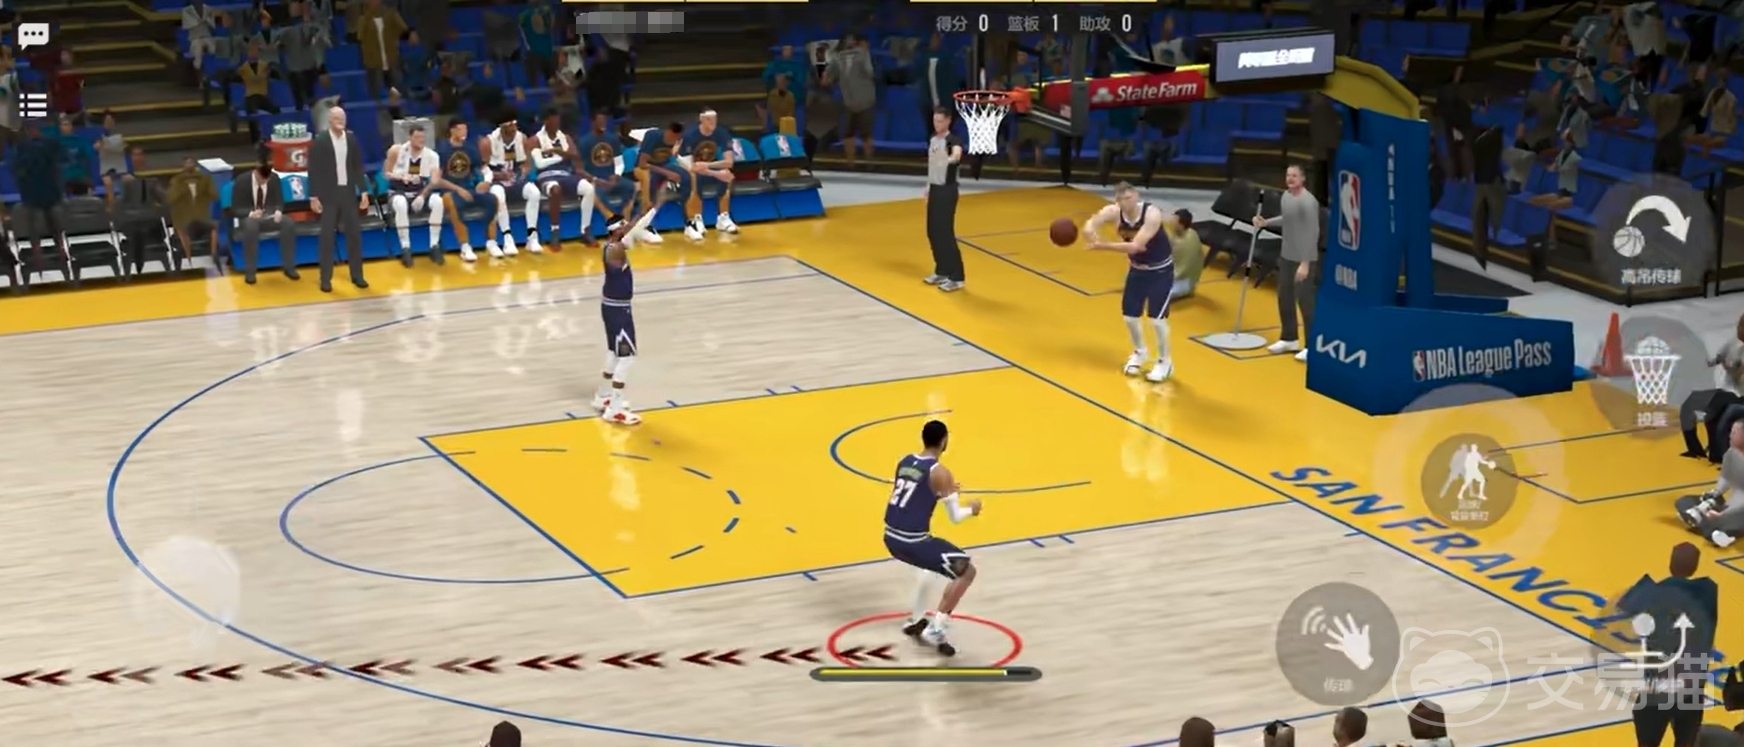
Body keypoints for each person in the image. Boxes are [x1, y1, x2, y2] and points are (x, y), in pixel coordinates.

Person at [886, 419, 981, 656]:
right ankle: (937, 629)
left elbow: (915, 494)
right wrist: (972, 509)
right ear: (944, 440)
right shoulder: (941, 473)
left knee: (929, 570)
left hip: (890, 537)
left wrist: (944, 491)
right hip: (913, 541)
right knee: (966, 571)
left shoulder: (904, 461)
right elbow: (955, 517)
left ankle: (915, 620)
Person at [588, 190, 669, 427]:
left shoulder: (614, 244)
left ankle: (602, 396)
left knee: (613, 353)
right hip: (618, 309)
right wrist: (647, 208)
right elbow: (635, 228)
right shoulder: (615, 249)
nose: (627, 227)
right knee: (627, 356)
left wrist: (653, 207)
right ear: (616, 230)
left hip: (612, 305)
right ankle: (614, 409)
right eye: (622, 225)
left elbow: (636, 227)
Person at [1083, 182, 1176, 383]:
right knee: (1130, 317)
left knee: (1157, 320)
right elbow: (1092, 222)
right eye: (1123, 199)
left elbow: (1135, 246)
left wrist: (1102, 245)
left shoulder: (1151, 214)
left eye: (1130, 197)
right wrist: (1090, 230)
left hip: (1160, 271)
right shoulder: (1114, 212)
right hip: (1137, 270)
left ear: (1136, 195)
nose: (1128, 202)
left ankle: (1165, 361)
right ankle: (1140, 352)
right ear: (1117, 201)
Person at [1253, 165, 1320, 363]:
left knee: (1305, 301)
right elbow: (1288, 219)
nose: (1290, 179)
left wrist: (1305, 264)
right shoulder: (1286, 196)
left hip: (1303, 256)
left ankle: (1311, 346)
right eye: (1288, 175)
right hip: (1287, 254)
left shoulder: (1308, 202)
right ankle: (1289, 338)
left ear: (1303, 179)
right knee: (1285, 296)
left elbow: (1312, 233)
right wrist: (1266, 222)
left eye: (1294, 176)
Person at [307, 105, 370, 292]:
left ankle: (357, 275)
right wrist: (313, 196)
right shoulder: (320, 140)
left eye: (342, 117)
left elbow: (357, 167)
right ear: (329, 120)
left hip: (348, 194)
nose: (340, 121)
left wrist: (364, 191)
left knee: (354, 236)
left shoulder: (351, 139)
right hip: (328, 195)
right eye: (336, 118)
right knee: (327, 237)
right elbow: (313, 170)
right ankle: (325, 279)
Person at [528, 106, 593, 250]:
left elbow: (576, 156)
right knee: (555, 190)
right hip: (546, 175)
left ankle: (585, 230)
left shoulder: (565, 138)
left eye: (558, 121)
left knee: (589, 189)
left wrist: (559, 151)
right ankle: (554, 232)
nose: (557, 124)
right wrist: (562, 156)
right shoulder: (535, 140)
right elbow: (538, 164)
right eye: (554, 121)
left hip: (565, 173)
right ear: (546, 121)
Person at [436, 120, 499, 261]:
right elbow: (437, 179)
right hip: (449, 191)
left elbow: (484, 168)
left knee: (492, 200)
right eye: (460, 129)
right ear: (452, 131)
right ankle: (465, 246)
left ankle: (491, 242)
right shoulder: (442, 149)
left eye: (465, 129)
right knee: (453, 203)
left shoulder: (470, 148)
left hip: (469, 189)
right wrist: (458, 189)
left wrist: (486, 181)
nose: (464, 132)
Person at [383, 126, 446, 266]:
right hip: (398, 192)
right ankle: (405, 248)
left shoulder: (432, 155)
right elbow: (386, 173)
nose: (421, 140)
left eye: (422, 137)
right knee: (400, 203)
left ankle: (434, 245)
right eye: (417, 137)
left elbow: (435, 180)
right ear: (410, 138)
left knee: (438, 201)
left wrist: (422, 196)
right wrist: (401, 176)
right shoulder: (396, 150)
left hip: (419, 192)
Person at [481, 116, 542, 255]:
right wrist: (498, 175)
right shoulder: (487, 142)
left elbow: (527, 163)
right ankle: (507, 238)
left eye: (515, 123)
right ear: (502, 126)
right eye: (511, 124)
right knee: (498, 194)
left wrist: (523, 172)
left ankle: (532, 237)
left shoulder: (522, 138)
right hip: (496, 181)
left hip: (515, 179)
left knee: (534, 192)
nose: (514, 127)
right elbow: (482, 168)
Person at [230, 158, 296, 284]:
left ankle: (289, 267)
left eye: (266, 180)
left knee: (288, 223)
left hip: (269, 215)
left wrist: (278, 211)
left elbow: (279, 201)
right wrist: (251, 213)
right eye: (261, 180)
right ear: (255, 173)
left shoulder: (274, 179)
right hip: (250, 217)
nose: (264, 182)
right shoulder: (241, 181)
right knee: (251, 227)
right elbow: (235, 208)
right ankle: (250, 272)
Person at [1679, 421, 1744, 548]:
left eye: (1734, 433)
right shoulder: (1731, 454)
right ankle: (1713, 527)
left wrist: (1724, 514)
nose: (1730, 435)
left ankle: (1713, 527)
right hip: (1732, 503)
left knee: (1732, 519)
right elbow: (1726, 477)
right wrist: (1716, 492)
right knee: (1684, 501)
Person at [677, 108, 738, 241]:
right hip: (685, 168)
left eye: (714, 119)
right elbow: (691, 166)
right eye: (709, 119)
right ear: (701, 120)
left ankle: (723, 217)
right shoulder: (690, 135)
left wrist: (711, 168)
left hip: (706, 166)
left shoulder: (722, 133)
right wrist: (716, 173)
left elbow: (729, 162)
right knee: (695, 178)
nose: (712, 122)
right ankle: (697, 218)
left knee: (727, 175)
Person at [922, 108, 965, 292]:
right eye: (935, 121)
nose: (936, 124)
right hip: (935, 189)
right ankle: (942, 270)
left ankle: (957, 277)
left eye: (940, 121)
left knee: (945, 233)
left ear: (948, 121)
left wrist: (950, 159)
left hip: (947, 190)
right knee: (933, 231)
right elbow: (932, 166)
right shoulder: (933, 139)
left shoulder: (953, 140)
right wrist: (928, 187)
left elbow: (957, 153)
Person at [578, 112, 637, 238]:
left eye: (604, 121)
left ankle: (624, 219)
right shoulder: (584, 142)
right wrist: (596, 180)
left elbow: (619, 162)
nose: (602, 124)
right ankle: (615, 221)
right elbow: (580, 169)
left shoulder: (612, 139)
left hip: (612, 178)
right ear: (593, 123)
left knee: (631, 186)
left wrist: (616, 175)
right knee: (595, 193)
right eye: (600, 121)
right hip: (596, 181)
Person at [824, 32, 877, 168]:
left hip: (865, 102)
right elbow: (827, 79)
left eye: (852, 40)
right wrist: (826, 74)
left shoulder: (864, 55)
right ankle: (850, 164)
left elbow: (870, 72)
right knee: (848, 133)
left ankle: (870, 163)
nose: (850, 43)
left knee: (866, 134)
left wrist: (864, 54)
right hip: (848, 102)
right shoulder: (838, 58)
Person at [166, 156, 219, 271]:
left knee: (214, 227)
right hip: (184, 218)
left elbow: (214, 195)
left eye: (191, 163)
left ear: (195, 164)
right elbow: (171, 199)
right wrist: (181, 189)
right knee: (181, 229)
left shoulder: (205, 179)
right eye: (187, 163)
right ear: (183, 165)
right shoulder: (176, 181)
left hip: (201, 217)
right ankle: (188, 260)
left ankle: (213, 254)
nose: (189, 165)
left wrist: (206, 192)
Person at [1167, 208, 1203, 300]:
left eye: (1174, 221)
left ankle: (1186, 291)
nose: (1171, 222)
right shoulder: (1177, 233)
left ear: (1181, 225)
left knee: (1159, 293)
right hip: (1171, 273)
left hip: (1184, 281)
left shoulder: (1189, 242)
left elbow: (1183, 269)